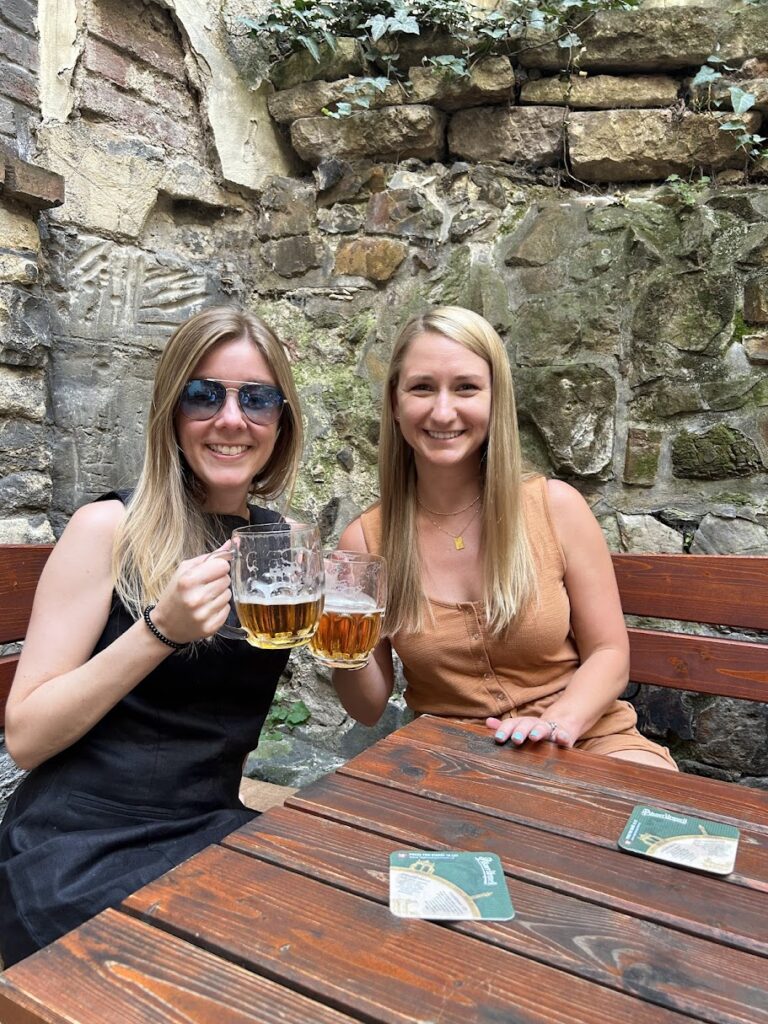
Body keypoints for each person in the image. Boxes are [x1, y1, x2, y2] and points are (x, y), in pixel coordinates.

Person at [0, 306, 303, 967]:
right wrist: (158, 631)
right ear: (172, 411)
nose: (231, 419)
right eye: (203, 395)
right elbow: (24, 737)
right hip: (83, 844)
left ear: (281, 421)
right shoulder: (107, 527)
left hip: (208, 830)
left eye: (256, 398)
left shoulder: (277, 544)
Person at [332, 306, 677, 771]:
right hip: (455, 760)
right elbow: (367, 708)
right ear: (395, 404)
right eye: (421, 388)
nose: (443, 410)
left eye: (466, 387)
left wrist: (558, 723)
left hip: (588, 736)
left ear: (497, 399)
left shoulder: (556, 507)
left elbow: (610, 653)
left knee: (651, 823)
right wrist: (339, 641)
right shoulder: (366, 541)